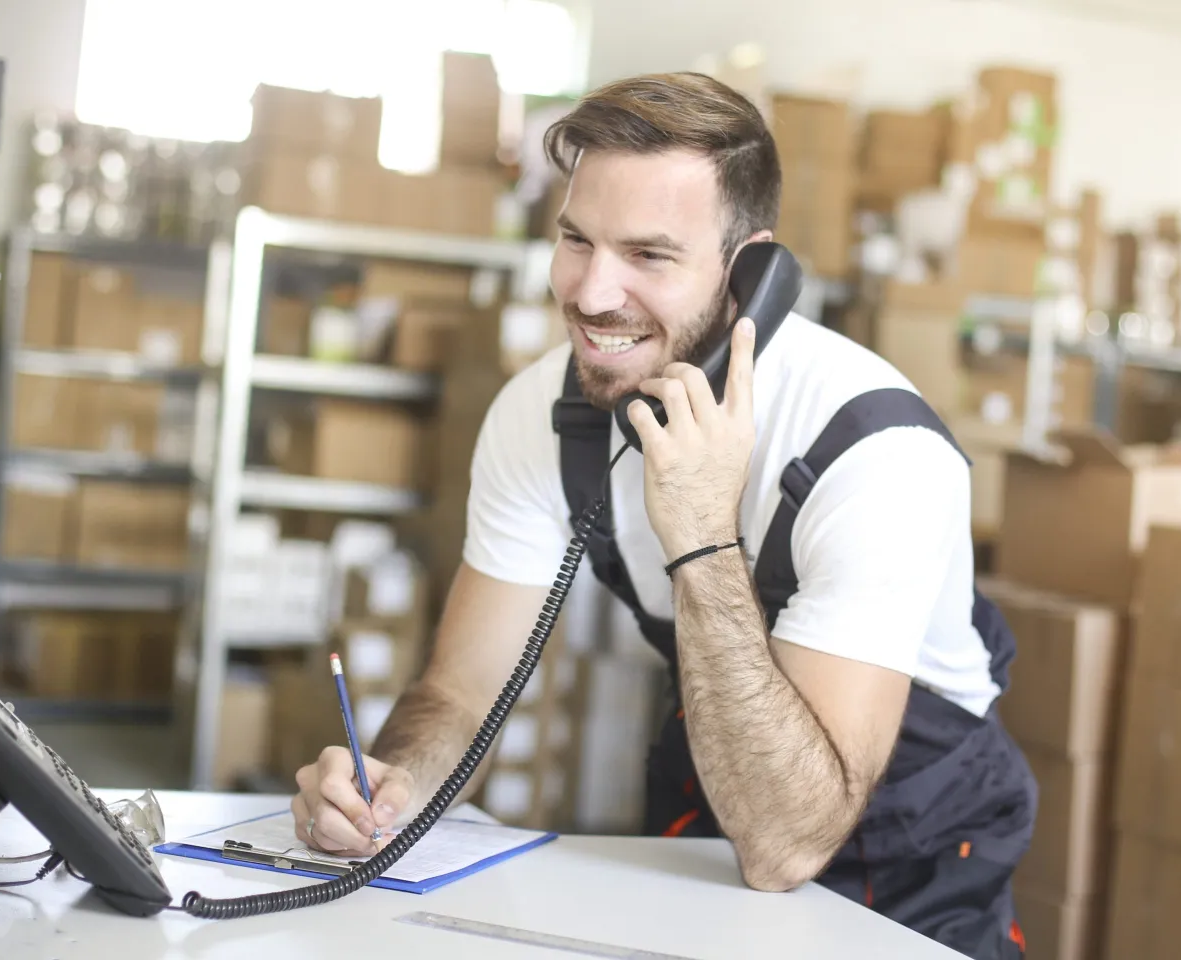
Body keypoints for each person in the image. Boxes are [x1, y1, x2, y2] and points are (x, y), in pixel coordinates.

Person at [290, 72, 1037, 960]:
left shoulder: (874, 453)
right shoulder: (543, 416)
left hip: (910, 843)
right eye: (576, 239)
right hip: (724, 759)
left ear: (750, 270)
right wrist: (392, 789)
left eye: (649, 256)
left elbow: (787, 844)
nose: (593, 293)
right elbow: (459, 693)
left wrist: (701, 530)